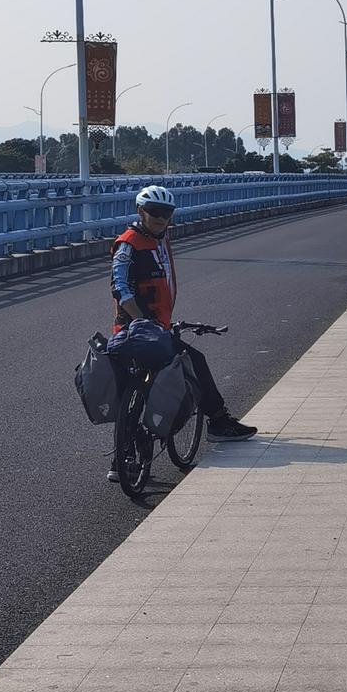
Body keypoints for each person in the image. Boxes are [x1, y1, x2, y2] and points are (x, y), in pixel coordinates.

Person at [107, 185, 257, 482]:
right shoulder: (128, 244)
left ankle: (121, 460)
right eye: (155, 213)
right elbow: (121, 289)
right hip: (135, 330)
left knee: (137, 390)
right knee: (194, 361)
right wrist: (143, 322)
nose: (162, 218)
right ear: (141, 212)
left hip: (156, 326)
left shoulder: (159, 239)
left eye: (167, 213)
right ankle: (218, 422)